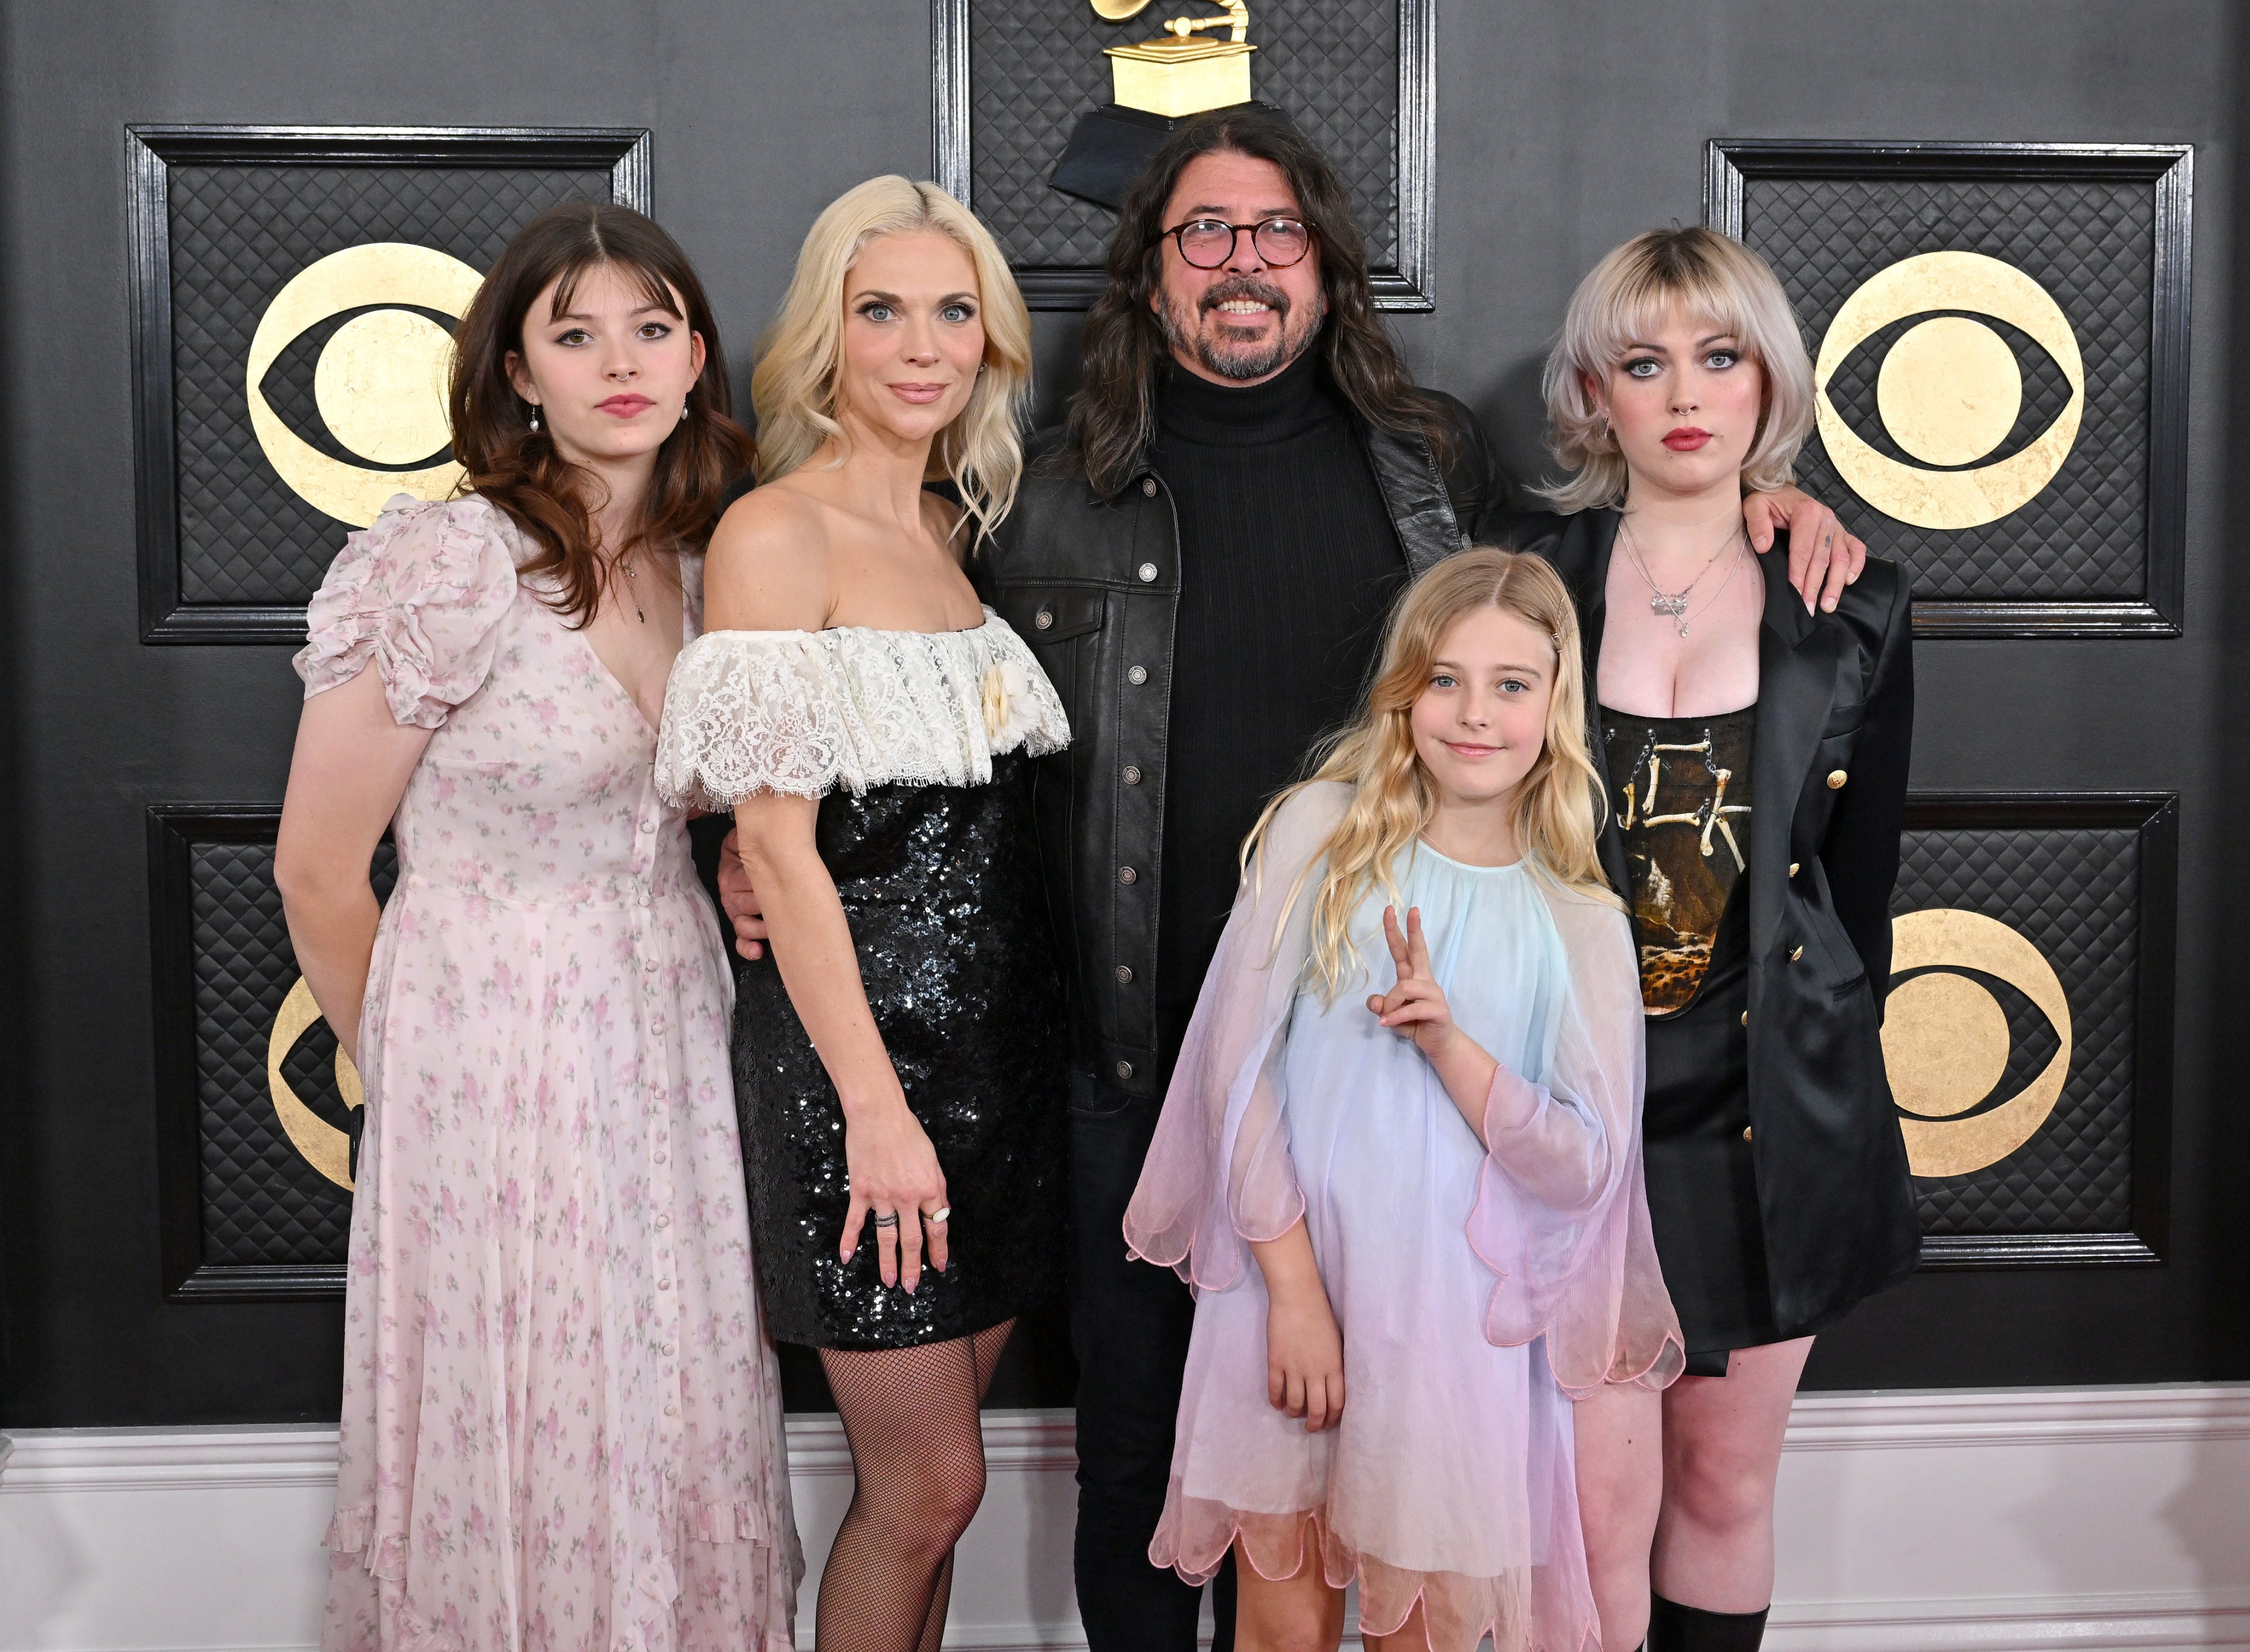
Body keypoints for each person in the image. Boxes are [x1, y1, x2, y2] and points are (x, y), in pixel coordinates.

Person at [723, 106, 1869, 1651]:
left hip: (1389, 1070)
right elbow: (869, 673)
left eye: (1278, 233)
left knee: (1382, 1468)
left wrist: (1768, 499)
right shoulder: (1038, 495)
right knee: (1147, 1463)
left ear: (1331, 268)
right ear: (1150, 276)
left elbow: (1586, 581)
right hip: (1132, 1053)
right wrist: (743, 835)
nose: (1244, 262)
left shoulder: (1436, 464)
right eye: (1205, 232)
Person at [276, 200, 799, 1650]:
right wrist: (421, 1083)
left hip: (672, 1042)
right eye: (573, 335)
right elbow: (318, 869)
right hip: (483, 1060)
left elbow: (680, 816)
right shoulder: (448, 564)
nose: (617, 362)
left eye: (650, 327)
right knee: (529, 1396)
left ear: (698, 354)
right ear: (517, 371)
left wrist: (734, 873)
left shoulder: (713, 569)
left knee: (667, 1386)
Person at [1124, 547, 1684, 1652]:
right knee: (1278, 1627)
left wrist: (1447, 1044)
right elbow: (1234, 1080)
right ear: (1404, 691)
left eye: (1512, 685)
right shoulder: (1317, 837)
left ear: (1556, 705)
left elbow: (1584, 1165)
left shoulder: (1576, 920)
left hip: (1447, 1342)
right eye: (1445, 679)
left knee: (1416, 1635)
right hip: (1288, 1297)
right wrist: (1291, 1290)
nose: (1475, 714)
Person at [653, 175, 1069, 1652]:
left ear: (991, 343)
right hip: (859, 1081)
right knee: (925, 1483)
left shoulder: (962, 531)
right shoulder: (779, 531)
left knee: (935, 1506)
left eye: (954, 311)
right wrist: (877, 1110)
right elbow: (778, 843)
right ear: (827, 333)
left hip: (1001, 1077)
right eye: (880, 308)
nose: (921, 344)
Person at [1512, 227, 1918, 1652]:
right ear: (1591, 393)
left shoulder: (1853, 597)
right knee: (1583, 1505)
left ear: (1765, 382)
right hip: (1580, 1107)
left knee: (1728, 1477)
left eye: (1717, 354)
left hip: (1769, 1110)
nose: (1683, 391)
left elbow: (1857, 885)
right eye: (1643, 361)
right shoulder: (1523, 582)